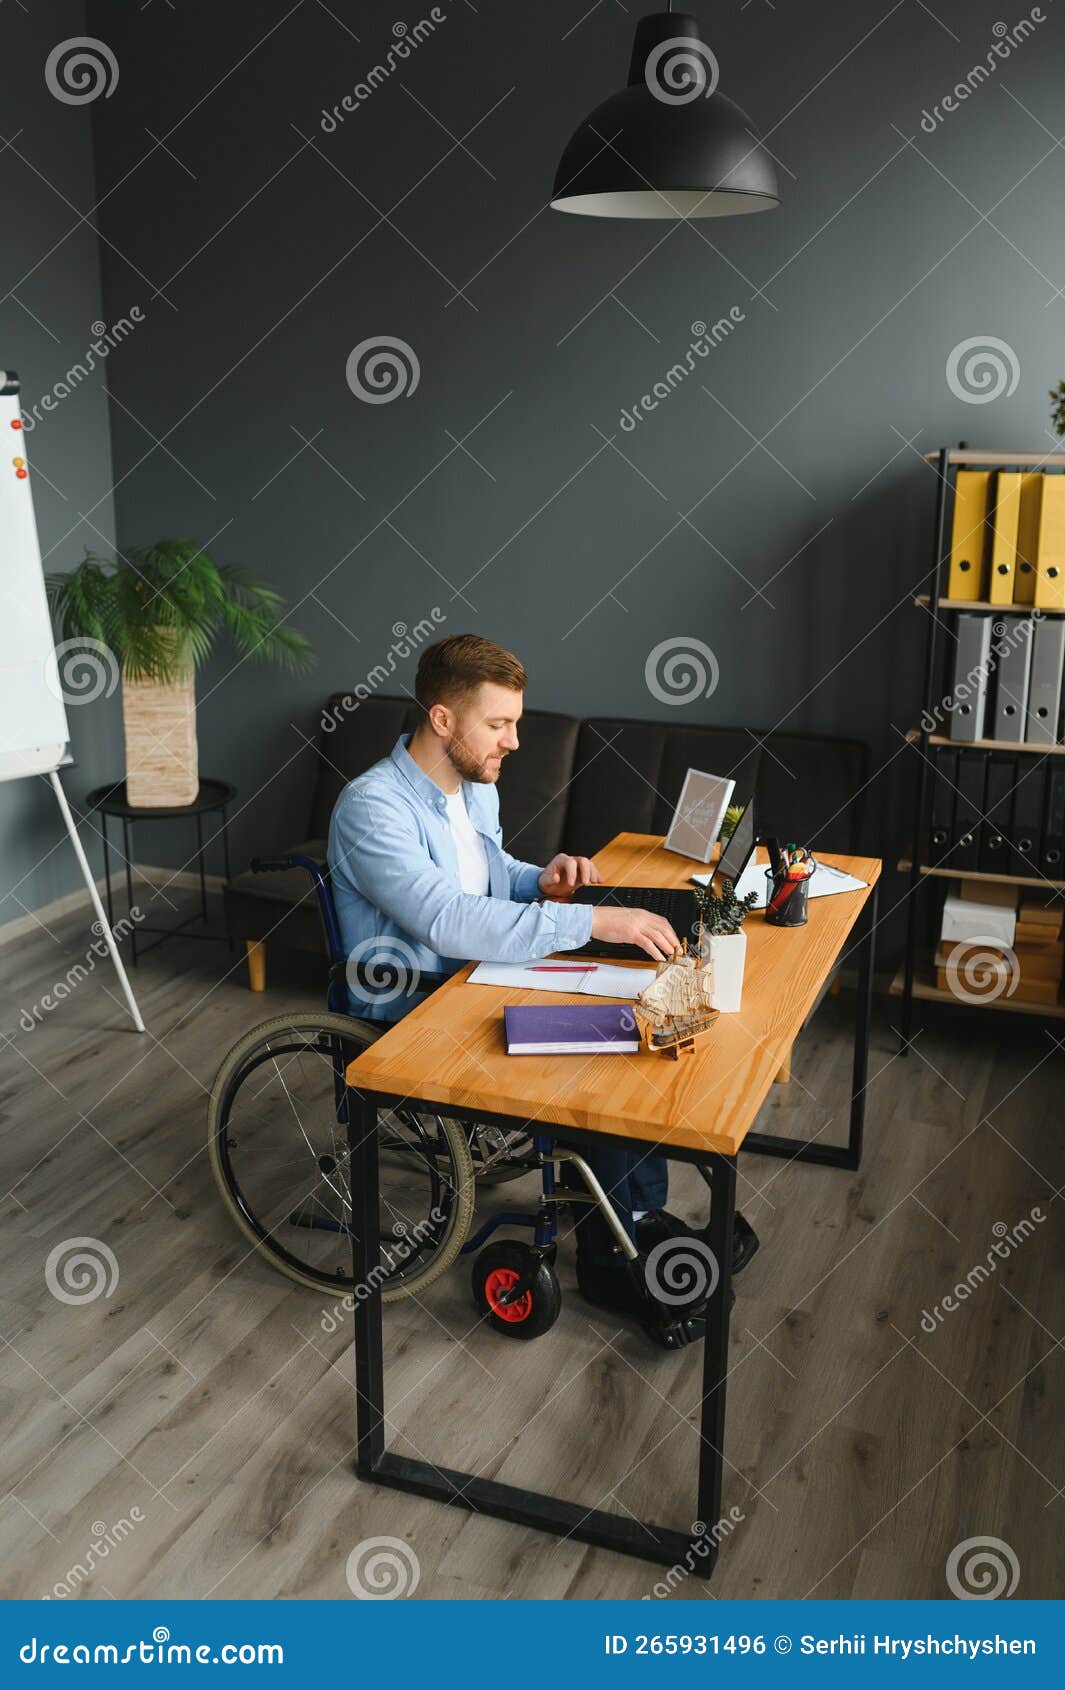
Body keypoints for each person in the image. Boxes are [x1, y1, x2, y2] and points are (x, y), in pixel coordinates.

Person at [327, 633, 757, 1349]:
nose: (514, 741)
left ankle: (637, 1223)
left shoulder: (471, 789)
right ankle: (610, 1255)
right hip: (413, 1003)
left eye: (514, 723)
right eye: (498, 724)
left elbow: (487, 871)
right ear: (441, 720)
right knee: (593, 1044)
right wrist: (588, 917)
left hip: (472, 976)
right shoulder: (373, 808)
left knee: (626, 1012)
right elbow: (444, 916)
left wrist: (539, 881)